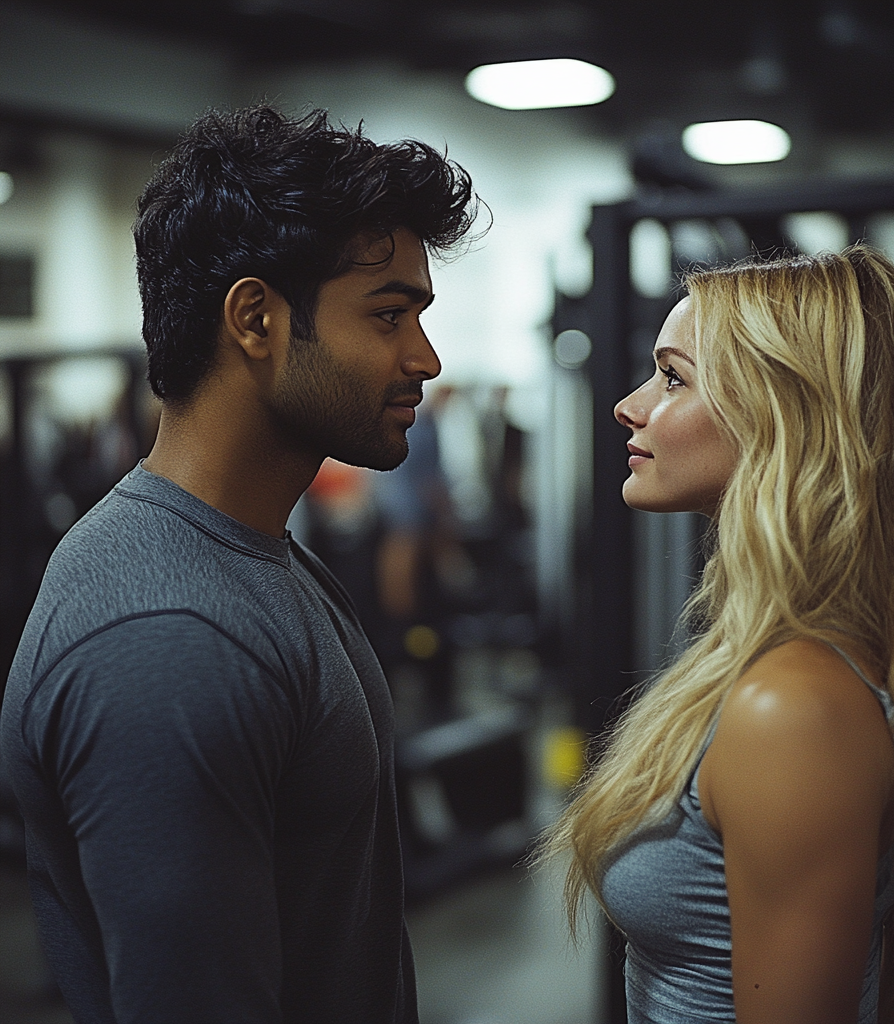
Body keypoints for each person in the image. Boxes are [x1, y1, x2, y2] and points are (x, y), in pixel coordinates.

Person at [0, 104, 477, 1023]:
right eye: (388, 315)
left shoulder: (257, 559)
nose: (425, 356)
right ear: (255, 319)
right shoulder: (169, 640)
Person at [541, 247, 894, 1023]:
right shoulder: (795, 663)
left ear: (781, 416)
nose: (629, 405)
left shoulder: (793, 707)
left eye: (671, 377)